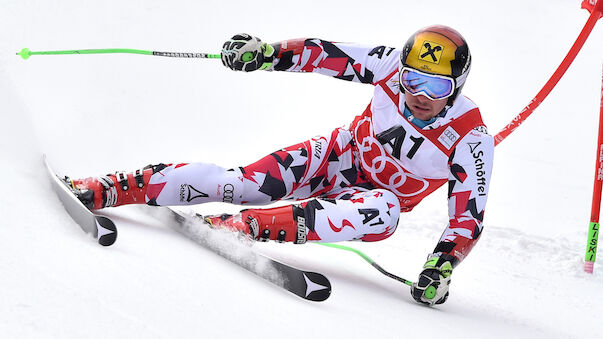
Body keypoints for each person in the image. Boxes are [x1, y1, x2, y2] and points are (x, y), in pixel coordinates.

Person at [69, 25, 494, 306]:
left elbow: (466, 220)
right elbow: (322, 54)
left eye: (435, 85)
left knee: (385, 214)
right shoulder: (387, 67)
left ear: (456, 87)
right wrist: (265, 53)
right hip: (334, 157)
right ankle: (111, 187)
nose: (419, 94)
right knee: (247, 183)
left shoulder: (471, 139)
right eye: (411, 79)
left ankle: (243, 227)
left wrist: (441, 267)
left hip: (366, 200)